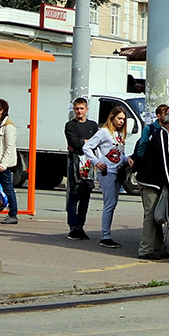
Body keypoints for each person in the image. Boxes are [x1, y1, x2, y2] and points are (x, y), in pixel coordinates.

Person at [134, 111, 169, 260]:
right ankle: (146, 250)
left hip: (151, 181)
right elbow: (165, 161)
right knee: (151, 215)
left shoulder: (161, 135)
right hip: (150, 182)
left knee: (157, 215)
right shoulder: (163, 136)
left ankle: (157, 249)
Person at [83, 106, 129, 249]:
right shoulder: (104, 132)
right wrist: (97, 161)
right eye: (119, 118)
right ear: (112, 117)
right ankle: (105, 236)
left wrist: (128, 160)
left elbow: (118, 154)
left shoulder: (119, 134)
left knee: (112, 203)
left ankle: (107, 235)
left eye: (123, 119)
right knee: (109, 203)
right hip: (106, 171)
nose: (121, 121)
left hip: (117, 170)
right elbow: (87, 147)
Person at [64, 97, 99, 240]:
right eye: (77, 108)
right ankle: (73, 227)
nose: (79, 111)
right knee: (74, 195)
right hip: (75, 163)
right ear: (74, 109)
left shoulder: (93, 125)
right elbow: (74, 142)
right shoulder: (70, 125)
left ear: (87, 109)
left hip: (89, 165)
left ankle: (81, 226)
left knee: (86, 197)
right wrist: (85, 143)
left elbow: (97, 143)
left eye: (81, 108)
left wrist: (83, 143)